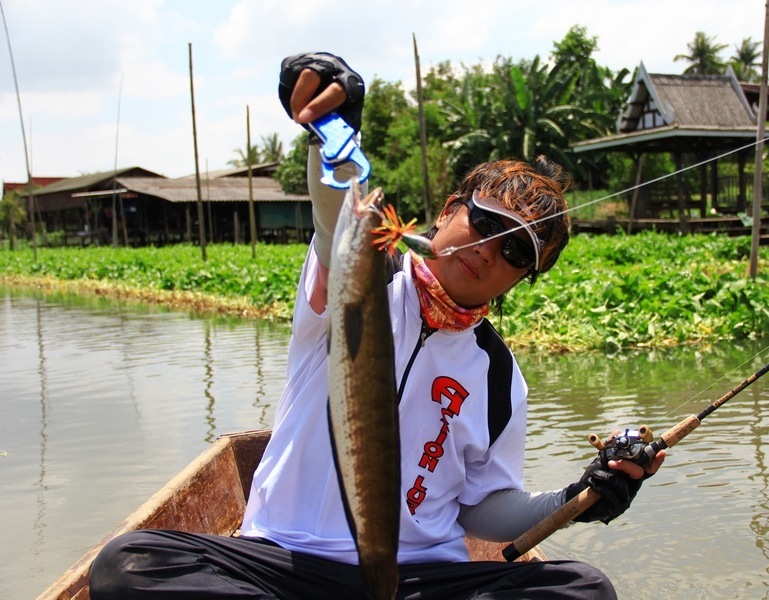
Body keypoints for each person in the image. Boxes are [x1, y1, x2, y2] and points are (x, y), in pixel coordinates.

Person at [89, 51, 665, 600]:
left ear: (523, 278)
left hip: (417, 578)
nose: (490, 252)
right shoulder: (359, 277)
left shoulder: (497, 374)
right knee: (129, 566)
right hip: (284, 562)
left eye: (516, 252)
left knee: (584, 590)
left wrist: (579, 497)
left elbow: (483, 511)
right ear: (447, 212)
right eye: (486, 223)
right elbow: (335, 204)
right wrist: (335, 130)